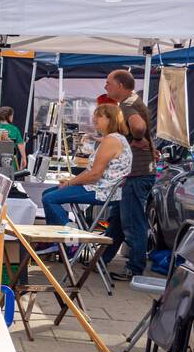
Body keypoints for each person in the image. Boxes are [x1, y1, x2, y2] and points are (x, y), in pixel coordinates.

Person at [41, 104, 133, 248]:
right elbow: (91, 171)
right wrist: (71, 181)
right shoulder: (112, 139)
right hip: (99, 187)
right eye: (94, 115)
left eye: (99, 116)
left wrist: (71, 183)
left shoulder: (112, 140)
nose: (94, 118)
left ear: (111, 119)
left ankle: (71, 241)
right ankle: (56, 239)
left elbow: (94, 175)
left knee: (49, 198)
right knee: (48, 193)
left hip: (102, 191)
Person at [102, 70, 155, 281]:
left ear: (121, 86)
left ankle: (134, 268)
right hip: (135, 172)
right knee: (117, 219)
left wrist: (136, 138)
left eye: (108, 83)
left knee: (132, 222)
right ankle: (103, 258)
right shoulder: (132, 101)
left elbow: (139, 126)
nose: (106, 87)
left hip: (137, 172)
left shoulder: (127, 104)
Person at [0, 106, 27, 171]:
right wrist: (24, 158)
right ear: (9, 117)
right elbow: (20, 145)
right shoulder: (14, 130)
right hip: (11, 163)